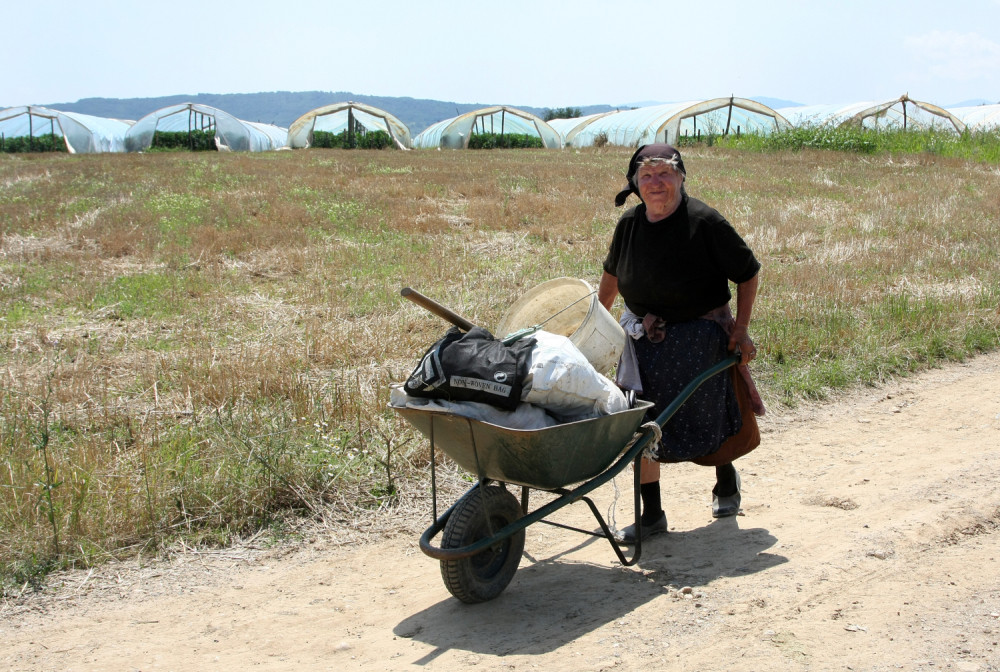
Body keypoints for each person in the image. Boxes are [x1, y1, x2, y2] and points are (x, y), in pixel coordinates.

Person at [598, 143, 764, 545]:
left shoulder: (704, 222)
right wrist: (591, 330)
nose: (656, 183)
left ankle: (726, 482)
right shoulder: (630, 225)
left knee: (709, 415)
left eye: (665, 174)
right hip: (641, 340)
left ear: (681, 178)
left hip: (699, 336)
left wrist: (739, 330)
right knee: (640, 424)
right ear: (636, 184)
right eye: (647, 176)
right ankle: (651, 515)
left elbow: (748, 273)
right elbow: (610, 283)